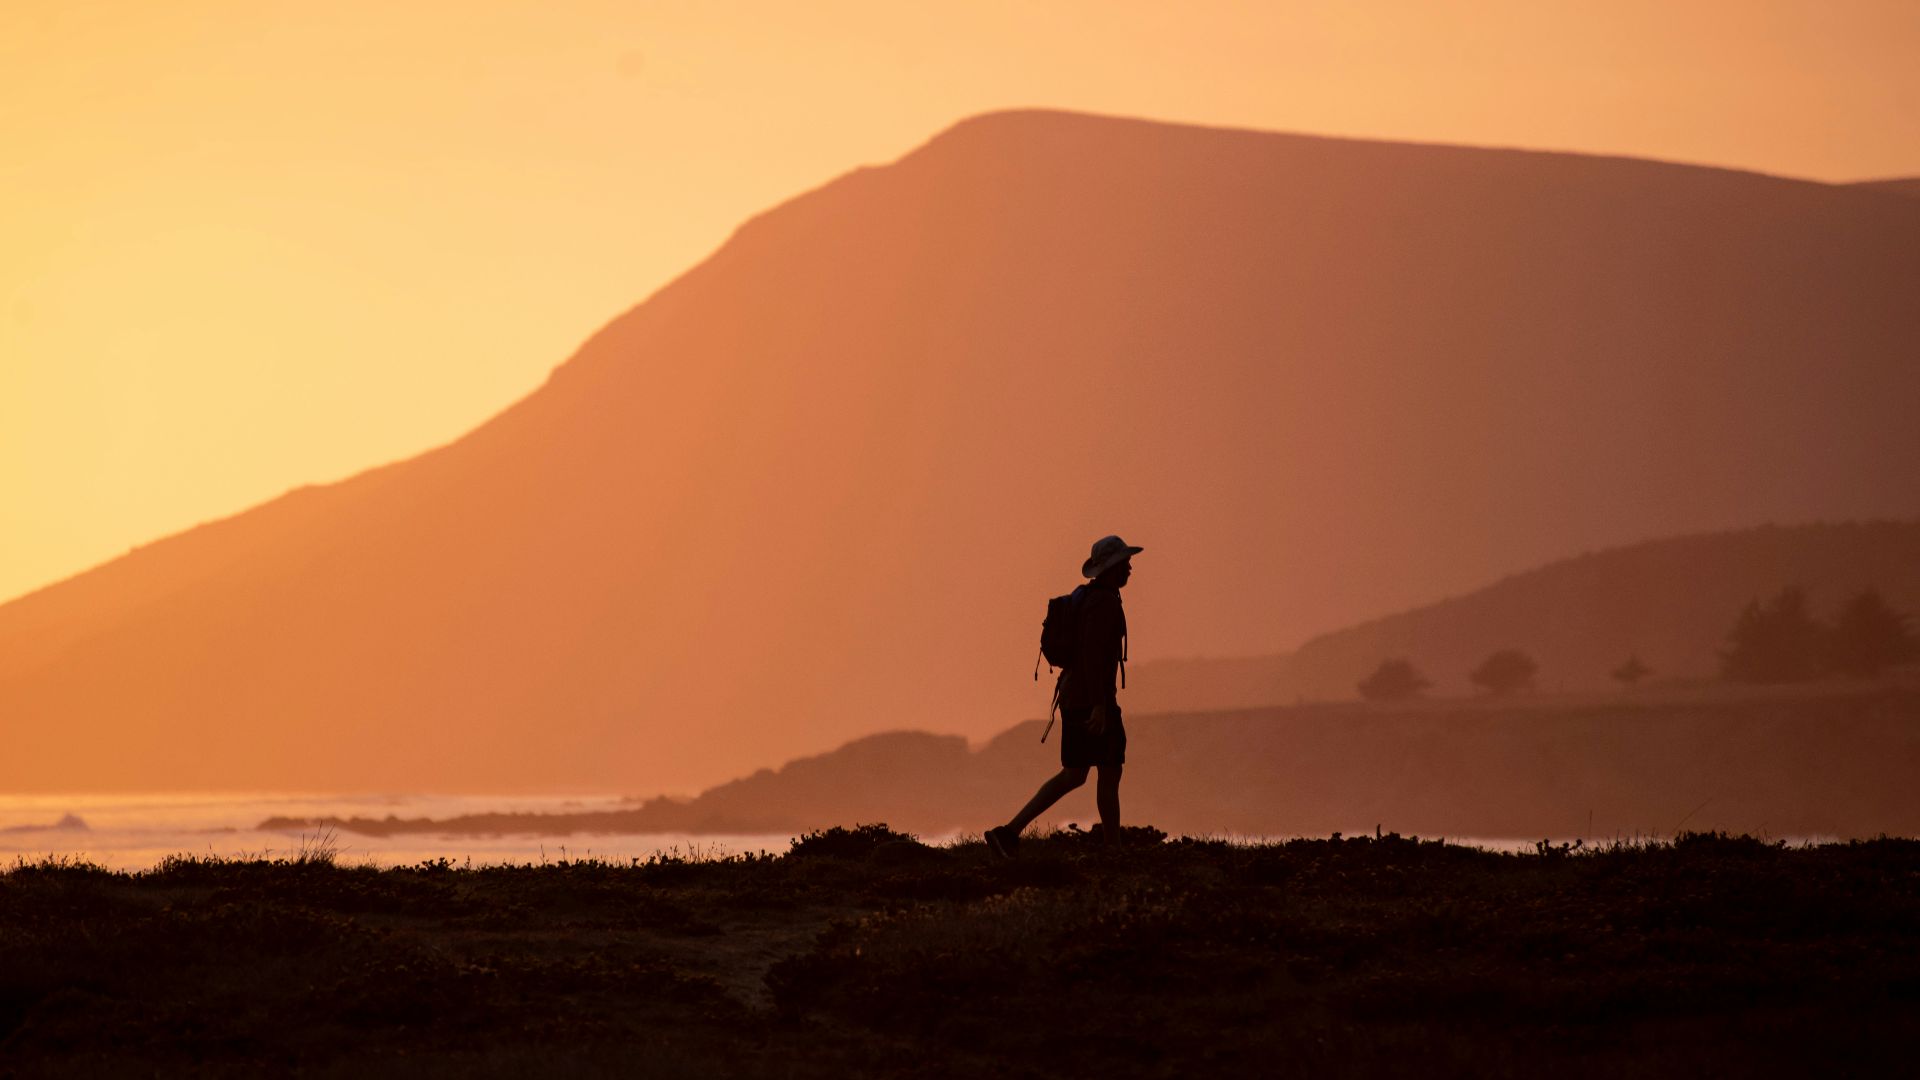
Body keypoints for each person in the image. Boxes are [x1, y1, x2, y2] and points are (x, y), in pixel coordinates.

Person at [985, 534, 1141, 858]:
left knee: (1075, 774)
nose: (1129, 568)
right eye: (1125, 563)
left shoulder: (1087, 597)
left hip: (1073, 696)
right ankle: (1113, 850)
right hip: (1092, 700)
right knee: (1109, 769)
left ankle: (1009, 833)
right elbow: (1093, 655)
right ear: (1111, 567)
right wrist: (1100, 705)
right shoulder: (1105, 602)